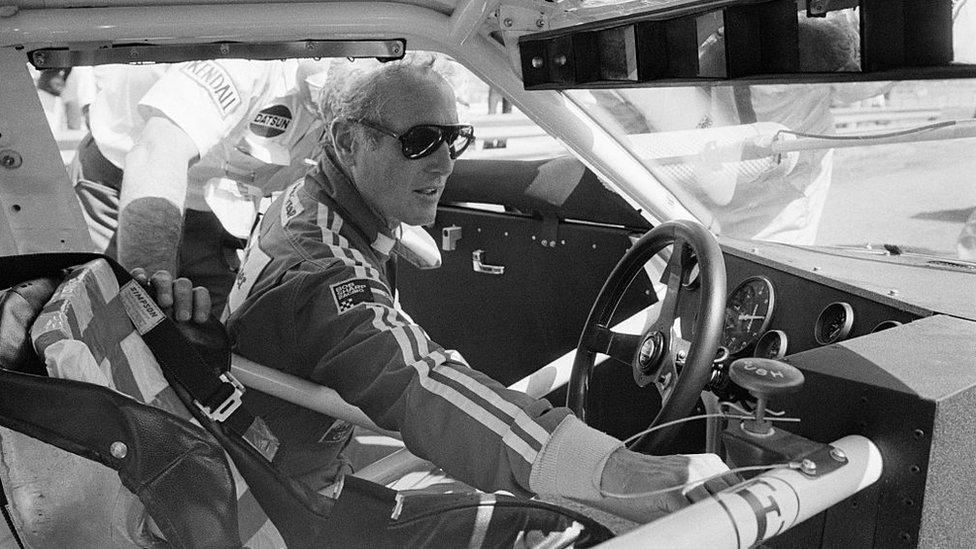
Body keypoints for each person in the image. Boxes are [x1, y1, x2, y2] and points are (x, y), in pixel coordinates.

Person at [224, 57, 733, 527]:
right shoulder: (324, 274)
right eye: (421, 141)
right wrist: (621, 472)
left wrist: (397, 236)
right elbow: (422, 385)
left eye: (454, 139)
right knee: (558, 526)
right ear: (350, 142)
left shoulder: (314, 201)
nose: (444, 164)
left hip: (286, 461)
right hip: (290, 506)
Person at [597, 12, 889, 245]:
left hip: (769, 232)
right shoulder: (625, 55)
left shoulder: (806, 41)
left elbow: (864, 69)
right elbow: (627, 150)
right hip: (685, 228)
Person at [69, 58, 331, 313]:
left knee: (211, 332)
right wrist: (150, 305)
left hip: (216, 210)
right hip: (126, 185)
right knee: (109, 316)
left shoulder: (347, 94)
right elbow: (157, 153)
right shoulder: (245, 65)